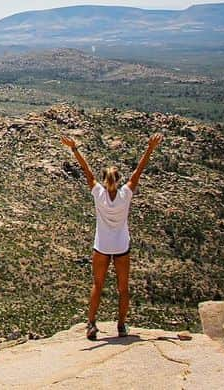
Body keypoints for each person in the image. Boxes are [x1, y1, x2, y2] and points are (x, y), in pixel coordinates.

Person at [61, 131, 164, 340]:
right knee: (123, 288)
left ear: (105, 179)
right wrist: (150, 149)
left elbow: (86, 170)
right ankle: (121, 326)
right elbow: (139, 170)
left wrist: (74, 148)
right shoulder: (125, 194)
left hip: (101, 246)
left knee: (97, 285)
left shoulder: (98, 193)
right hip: (121, 247)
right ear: (118, 180)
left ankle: (91, 324)